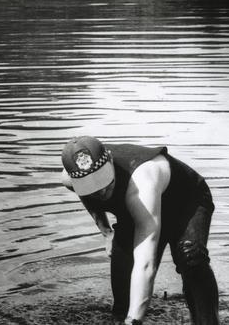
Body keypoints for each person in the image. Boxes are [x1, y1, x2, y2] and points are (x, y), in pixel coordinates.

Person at [60, 136, 219, 325]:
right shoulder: (70, 180)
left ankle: (208, 321)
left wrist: (134, 321)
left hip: (184, 202)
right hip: (134, 212)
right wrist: (106, 232)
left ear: (110, 160)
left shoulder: (142, 181)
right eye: (92, 188)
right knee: (123, 295)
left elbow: (145, 264)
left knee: (190, 256)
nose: (101, 193)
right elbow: (86, 197)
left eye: (104, 182)